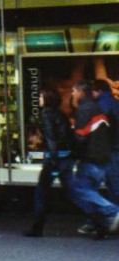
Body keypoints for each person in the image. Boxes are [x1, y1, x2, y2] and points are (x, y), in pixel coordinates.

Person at [65, 80, 119, 238]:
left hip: (95, 155)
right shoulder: (103, 106)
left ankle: (112, 212)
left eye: (74, 91)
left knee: (81, 188)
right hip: (105, 154)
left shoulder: (89, 108)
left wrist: (73, 153)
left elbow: (81, 136)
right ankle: (99, 224)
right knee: (93, 189)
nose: (72, 94)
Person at [24, 88, 74, 237]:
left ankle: (37, 227)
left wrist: (52, 159)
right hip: (66, 156)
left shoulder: (46, 115)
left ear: (47, 99)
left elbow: (51, 138)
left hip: (55, 158)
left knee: (41, 192)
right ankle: (99, 221)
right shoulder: (60, 114)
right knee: (74, 192)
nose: (38, 99)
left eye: (41, 97)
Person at [90, 78, 119, 205]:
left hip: (112, 148)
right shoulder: (115, 102)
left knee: (113, 182)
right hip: (116, 147)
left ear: (99, 91)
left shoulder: (102, 104)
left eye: (92, 92)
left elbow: (100, 128)